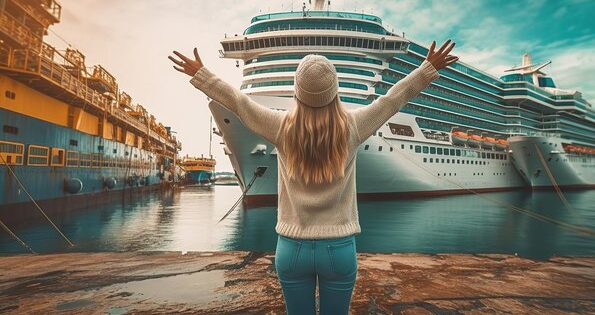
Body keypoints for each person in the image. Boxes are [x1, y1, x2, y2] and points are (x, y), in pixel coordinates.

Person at [169, 40, 457, 314]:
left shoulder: (280, 127)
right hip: (340, 247)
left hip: (292, 248)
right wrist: (426, 69)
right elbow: (393, 99)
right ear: (335, 91)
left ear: (297, 92)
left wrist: (202, 75)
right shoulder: (354, 127)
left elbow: (239, 103)